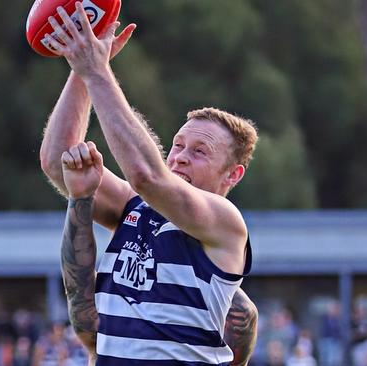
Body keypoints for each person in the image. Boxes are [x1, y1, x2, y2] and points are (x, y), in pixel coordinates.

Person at [39, 3, 258, 365]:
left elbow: (147, 176)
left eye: (201, 151)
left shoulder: (225, 222)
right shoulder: (134, 207)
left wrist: (97, 72)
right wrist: (84, 66)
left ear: (232, 175)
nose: (181, 157)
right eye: (178, 145)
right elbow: (57, 160)